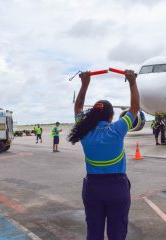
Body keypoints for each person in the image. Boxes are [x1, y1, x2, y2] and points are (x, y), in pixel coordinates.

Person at [68, 70, 139, 240]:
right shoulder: (117, 130)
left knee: (94, 232)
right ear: (111, 116)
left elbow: (78, 107)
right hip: (117, 189)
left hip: (93, 188)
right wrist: (132, 82)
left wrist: (85, 84)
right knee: (117, 233)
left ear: (93, 114)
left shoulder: (85, 131)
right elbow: (135, 107)